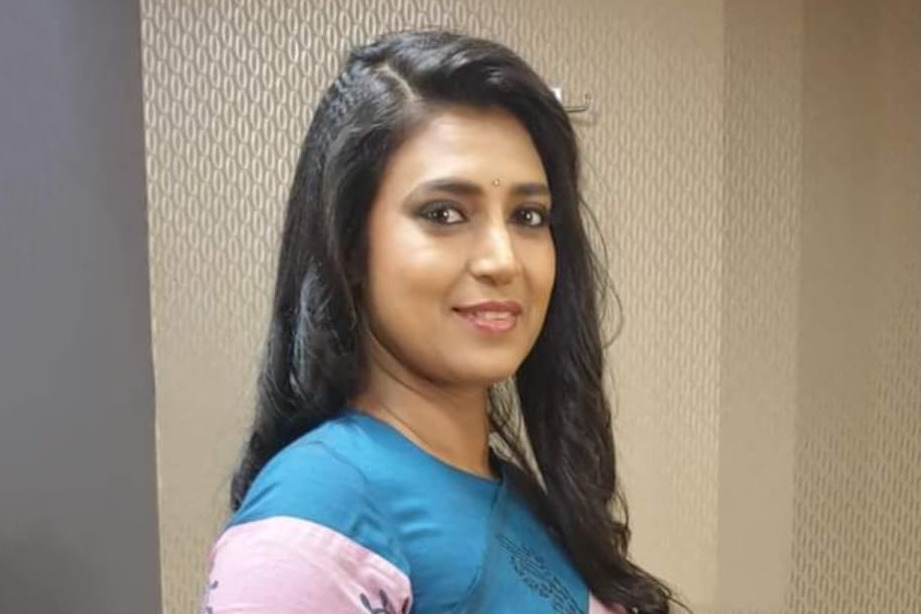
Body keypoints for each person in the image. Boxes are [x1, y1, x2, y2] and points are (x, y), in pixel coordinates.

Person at [201, 28, 677, 614]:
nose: (503, 260)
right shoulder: (317, 518)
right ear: (349, 247)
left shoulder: (522, 495)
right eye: (444, 213)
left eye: (529, 216)